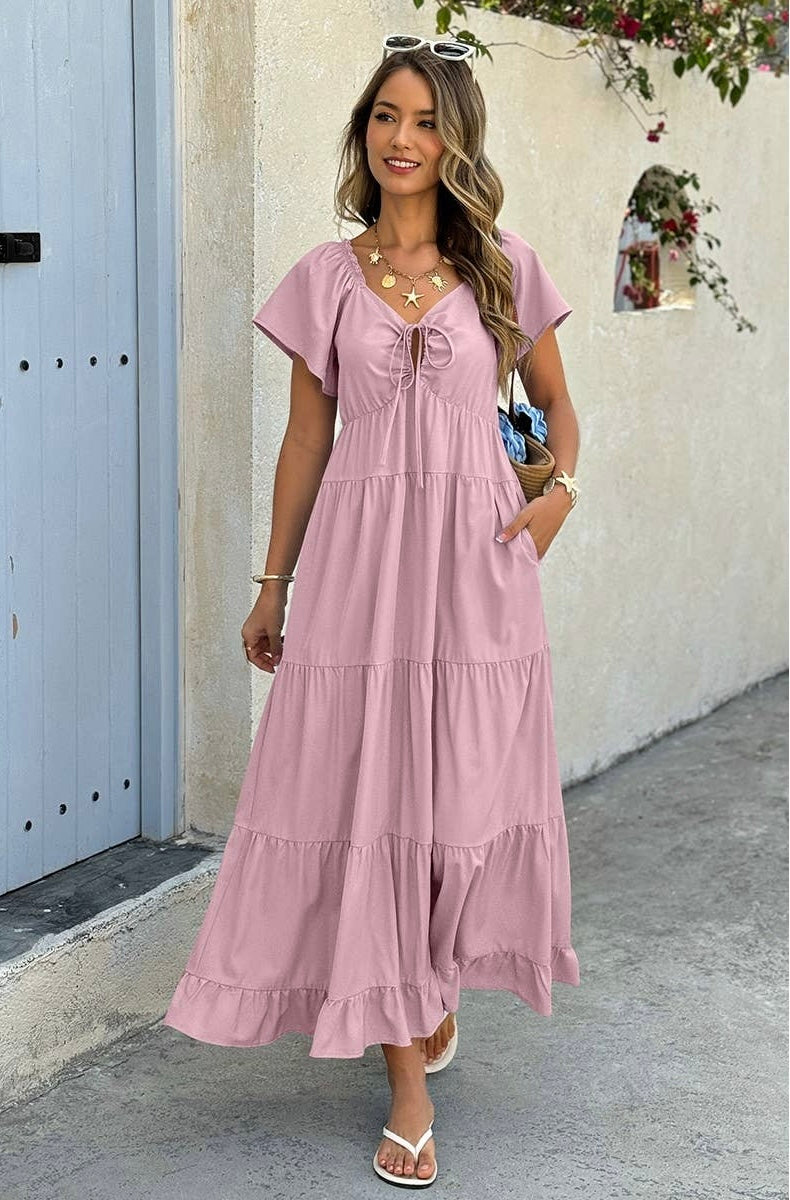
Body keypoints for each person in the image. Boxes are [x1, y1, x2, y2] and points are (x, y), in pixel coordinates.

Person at [163, 33, 581, 1189]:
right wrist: (272, 582)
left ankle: (430, 983)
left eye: (426, 121)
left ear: (457, 141)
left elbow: (554, 410)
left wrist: (558, 496)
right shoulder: (325, 277)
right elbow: (307, 441)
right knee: (371, 806)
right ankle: (405, 1081)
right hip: (356, 578)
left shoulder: (502, 269)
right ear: (364, 130)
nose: (402, 139)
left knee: (460, 806)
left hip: (475, 575)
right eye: (385, 116)